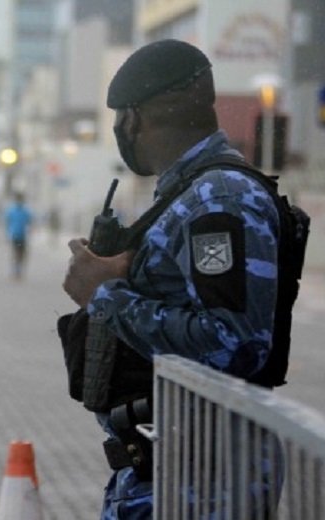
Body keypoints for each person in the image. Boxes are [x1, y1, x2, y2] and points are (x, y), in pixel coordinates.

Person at [59, 40, 308, 518]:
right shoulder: (188, 192)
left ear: (134, 118)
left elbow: (234, 344)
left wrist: (104, 295)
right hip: (174, 465)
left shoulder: (219, 199)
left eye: (119, 119)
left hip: (203, 477)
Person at [4, 192, 33, 280]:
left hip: (17, 235)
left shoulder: (12, 210)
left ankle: (17, 271)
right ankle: (17, 271)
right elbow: (30, 221)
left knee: (18, 254)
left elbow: (7, 221)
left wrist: (7, 233)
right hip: (19, 235)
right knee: (19, 254)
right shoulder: (25, 211)